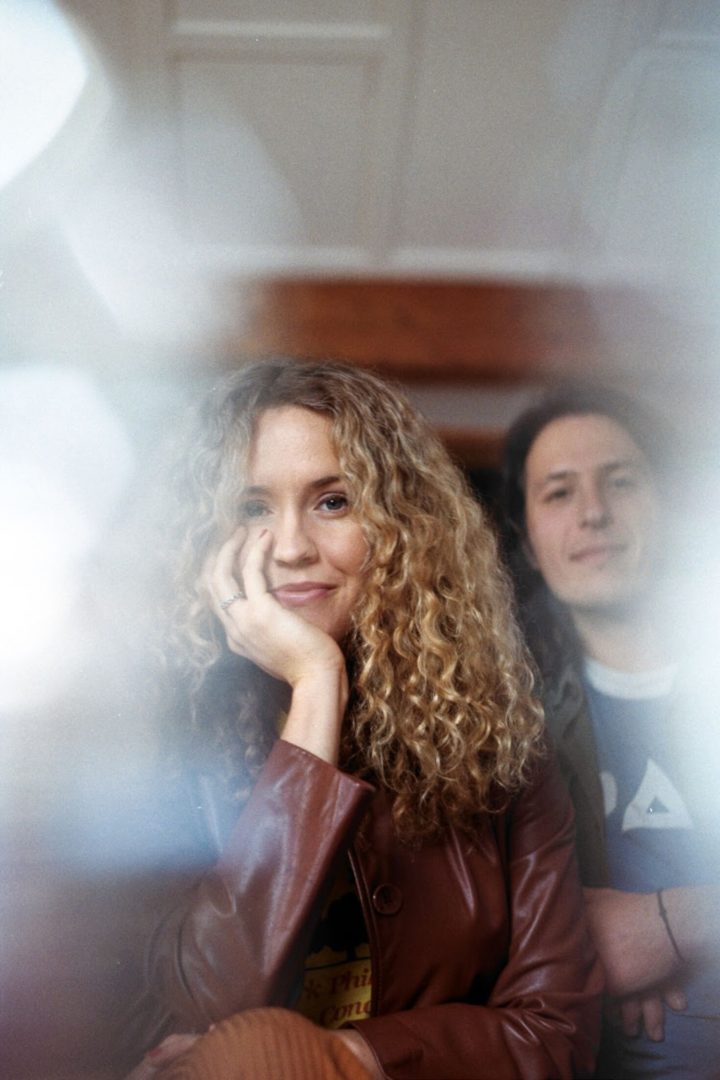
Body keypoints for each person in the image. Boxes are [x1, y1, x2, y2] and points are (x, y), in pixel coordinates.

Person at [124, 358, 601, 1079]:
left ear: (402, 529)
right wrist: (317, 685)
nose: (291, 547)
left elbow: (556, 1033)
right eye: (253, 509)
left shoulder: (500, 736)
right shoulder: (153, 740)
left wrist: (346, 1057)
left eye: (333, 502)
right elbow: (199, 1010)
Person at [501, 381, 720, 1079]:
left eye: (621, 481)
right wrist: (582, 944)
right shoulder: (500, 717)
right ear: (528, 539)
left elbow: (642, 938)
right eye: (559, 492)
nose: (593, 512)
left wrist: (674, 927)